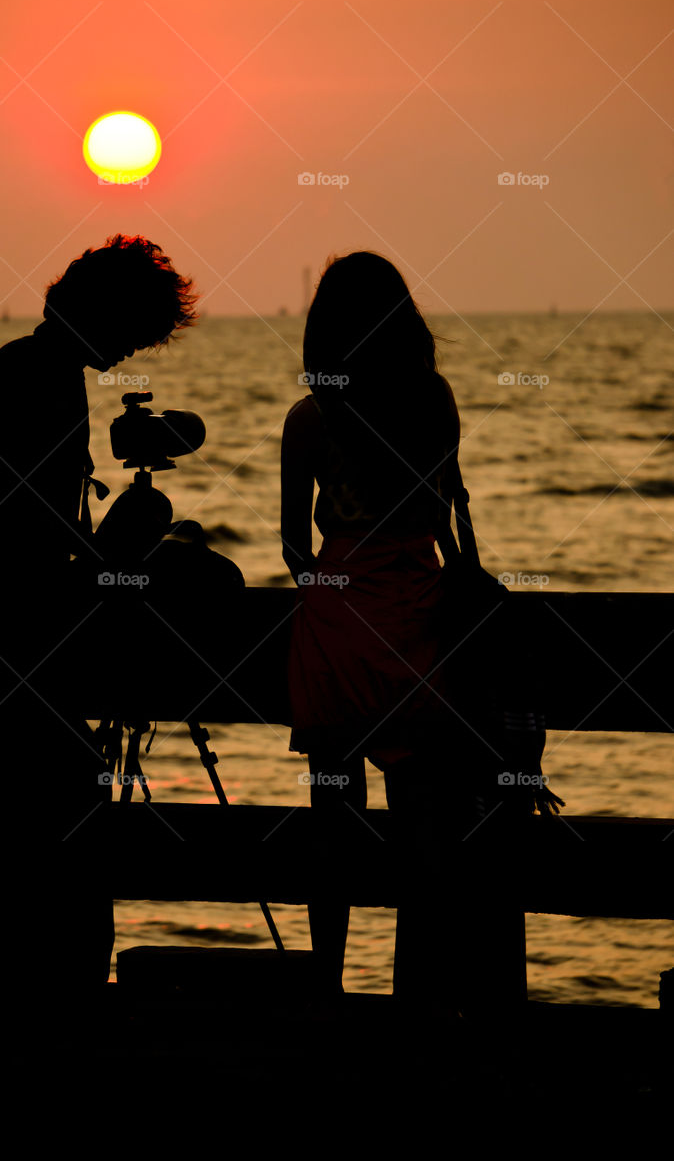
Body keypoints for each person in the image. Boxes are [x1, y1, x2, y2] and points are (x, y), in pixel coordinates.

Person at [0, 234, 198, 999]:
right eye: (133, 332)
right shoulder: (32, 366)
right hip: (5, 619)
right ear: (105, 313)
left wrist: (75, 539)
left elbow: (6, 480)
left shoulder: (51, 370)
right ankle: (37, 989)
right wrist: (54, 525)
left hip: (21, 616)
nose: (132, 350)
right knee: (41, 804)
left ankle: (23, 984)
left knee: (31, 805)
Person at [281, 250, 476, 1007]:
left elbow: (294, 545)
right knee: (423, 820)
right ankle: (417, 1001)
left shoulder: (311, 419)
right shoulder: (434, 403)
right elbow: (447, 512)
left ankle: (326, 989)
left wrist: (328, 584)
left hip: (336, 625)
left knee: (333, 819)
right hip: (416, 614)